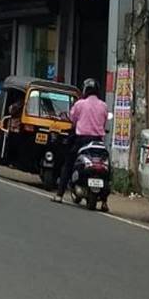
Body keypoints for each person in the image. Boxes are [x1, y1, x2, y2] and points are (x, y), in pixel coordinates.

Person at [52, 78, 110, 210]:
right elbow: (104, 122)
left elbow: (73, 120)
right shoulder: (104, 105)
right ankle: (105, 202)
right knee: (106, 167)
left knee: (68, 164)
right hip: (98, 142)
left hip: (82, 140)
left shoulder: (80, 104)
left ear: (85, 90)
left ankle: (60, 194)